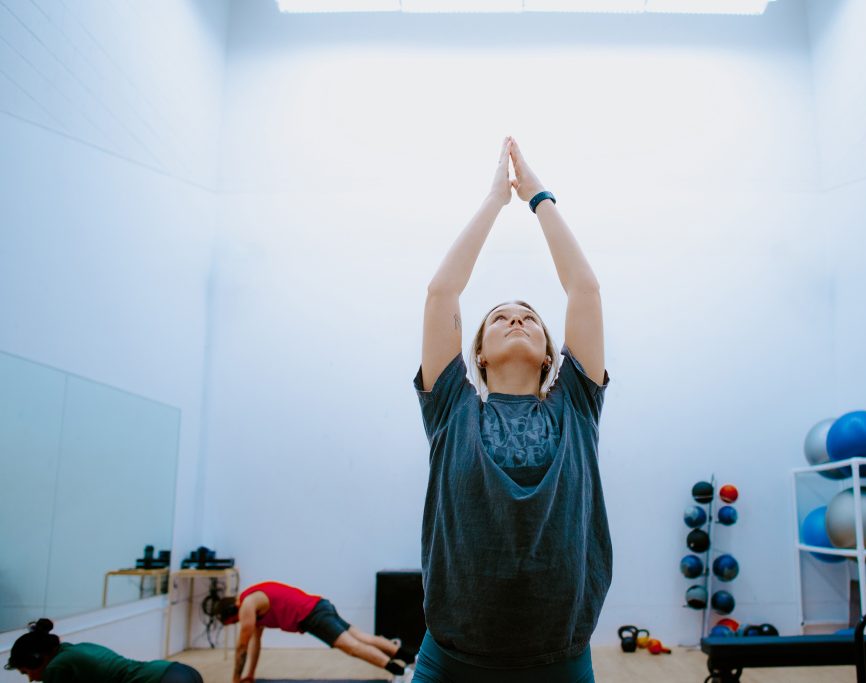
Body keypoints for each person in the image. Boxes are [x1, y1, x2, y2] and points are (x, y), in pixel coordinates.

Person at [413, 137, 612, 682]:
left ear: (552, 352)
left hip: (560, 653)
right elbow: (441, 292)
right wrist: (494, 201)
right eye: (500, 317)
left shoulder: (577, 402)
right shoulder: (453, 404)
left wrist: (539, 197)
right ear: (476, 351)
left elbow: (585, 290)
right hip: (453, 652)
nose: (518, 318)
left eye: (529, 316)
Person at [215, 580, 416, 682]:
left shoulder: (247, 605)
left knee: (352, 647)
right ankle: (412, 659)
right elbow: (255, 643)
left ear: (232, 612)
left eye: (234, 622)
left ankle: (402, 672)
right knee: (363, 638)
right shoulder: (254, 604)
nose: (238, 624)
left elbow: (242, 646)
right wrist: (250, 674)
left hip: (312, 615)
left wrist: (235, 680)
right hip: (319, 606)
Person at [5, 618, 203, 683]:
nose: (30, 679)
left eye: (26, 672)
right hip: (181, 672)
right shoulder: (74, 650)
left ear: (36, 658)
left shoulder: (56, 668)